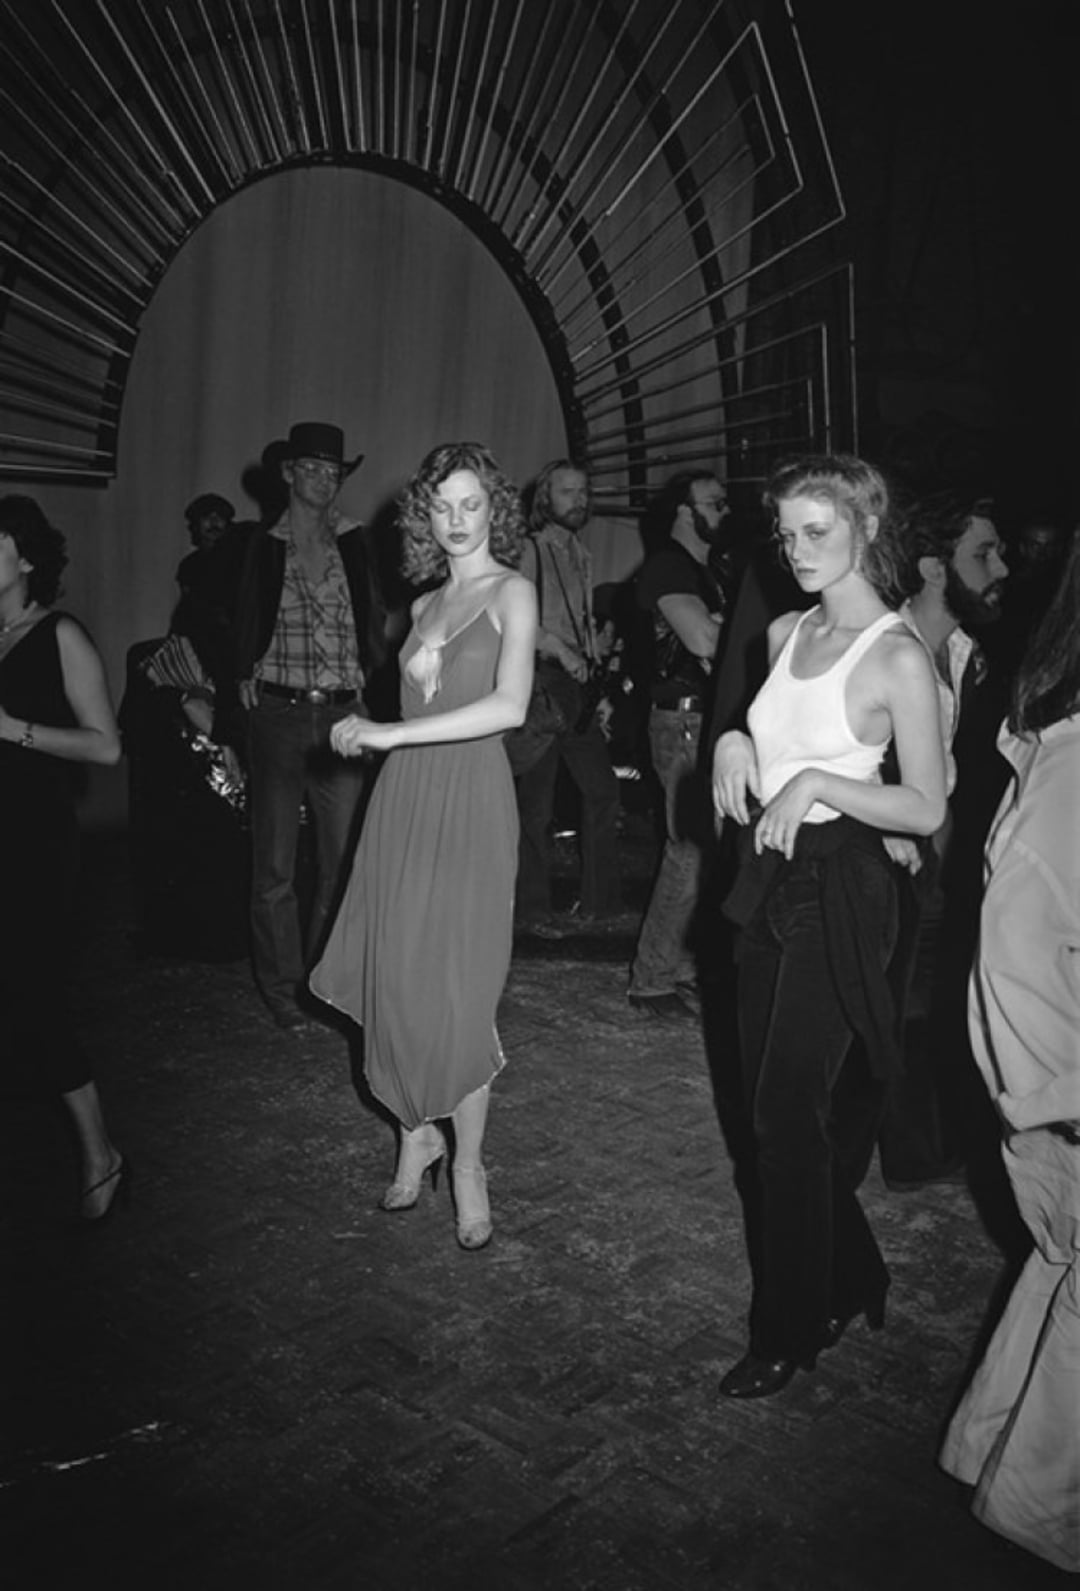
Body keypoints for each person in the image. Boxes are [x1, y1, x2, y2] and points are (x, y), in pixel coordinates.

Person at [712, 455, 946, 1399]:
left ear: (864, 527)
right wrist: (733, 737)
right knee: (776, 1116)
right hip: (767, 880)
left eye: (819, 530)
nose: (799, 548)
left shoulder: (896, 655)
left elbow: (927, 803)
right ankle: (853, 1274)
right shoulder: (783, 629)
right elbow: (768, 729)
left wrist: (817, 786)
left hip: (846, 889)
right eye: (788, 531)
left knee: (780, 1113)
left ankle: (788, 1328)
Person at [310, 442, 536, 1251]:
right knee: (400, 973)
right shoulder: (422, 606)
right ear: (424, 517)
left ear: (494, 509)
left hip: (472, 800)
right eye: (442, 506)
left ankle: (469, 1162)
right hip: (404, 800)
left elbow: (509, 707)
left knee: (460, 987)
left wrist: (388, 729)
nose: (457, 520)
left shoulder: (514, 593)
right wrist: (375, 733)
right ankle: (417, 1130)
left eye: (471, 503)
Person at [939, 533, 1080, 1574]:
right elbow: (1016, 947)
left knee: (1064, 1268)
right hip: (1060, 1084)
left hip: (1055, 1085)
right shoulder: (1073, 767)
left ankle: (986, 1445)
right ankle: (1041, 1506)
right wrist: (1063, 1096)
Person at [231, 421, 386, 1031]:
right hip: (278, 712)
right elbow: (233, 615)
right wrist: (238, 671)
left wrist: (373, 696)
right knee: (274, 865)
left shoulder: (360, 542)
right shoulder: (259, 545)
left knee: (342, 859)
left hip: (345, 713)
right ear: (289, 473)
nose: (325, 480)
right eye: (313, 469)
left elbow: (377, 618)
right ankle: (282, 987)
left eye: (335, 471)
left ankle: (326, 982)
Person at [876, 493, 1010, 1188]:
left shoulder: (961, 650)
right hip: (883, 859)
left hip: (932, 858)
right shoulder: (884, 651)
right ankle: (900, 1148)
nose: (1002, 568)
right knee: (897, 1004)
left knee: (923, 1000)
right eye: (983, 555)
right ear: (933, 567)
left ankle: (916, 1143)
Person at [0, 495, 127, 1220]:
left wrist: (12, 727)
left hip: (35, 841)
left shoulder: (60, 634)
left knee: (35, 996)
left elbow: (105, 745)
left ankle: (100, 1153)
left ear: (27, 560)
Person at [628, 470, 732, 1019]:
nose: (724, 511)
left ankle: (681, 970)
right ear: (682, 512)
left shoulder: (703, 571)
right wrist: (722, 628)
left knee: (704, 852)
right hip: (682, 721)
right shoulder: (670, 565)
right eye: (714, 503)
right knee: (687, 851)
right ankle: (652, 979)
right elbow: (704, 639)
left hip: (697, 719)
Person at [514, 459, 622, 928]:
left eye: (582, 492)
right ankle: (531, 911)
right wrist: (562, 649)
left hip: (576, 685)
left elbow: (580, 625)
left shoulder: (581, 553)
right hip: (541, 682)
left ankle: (600, 904)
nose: (578, 500)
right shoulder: (528, 550)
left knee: (603, 791)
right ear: (545, 499)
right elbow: (515, 621)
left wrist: (596, 661)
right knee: (534, 807)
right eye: (566, 492)